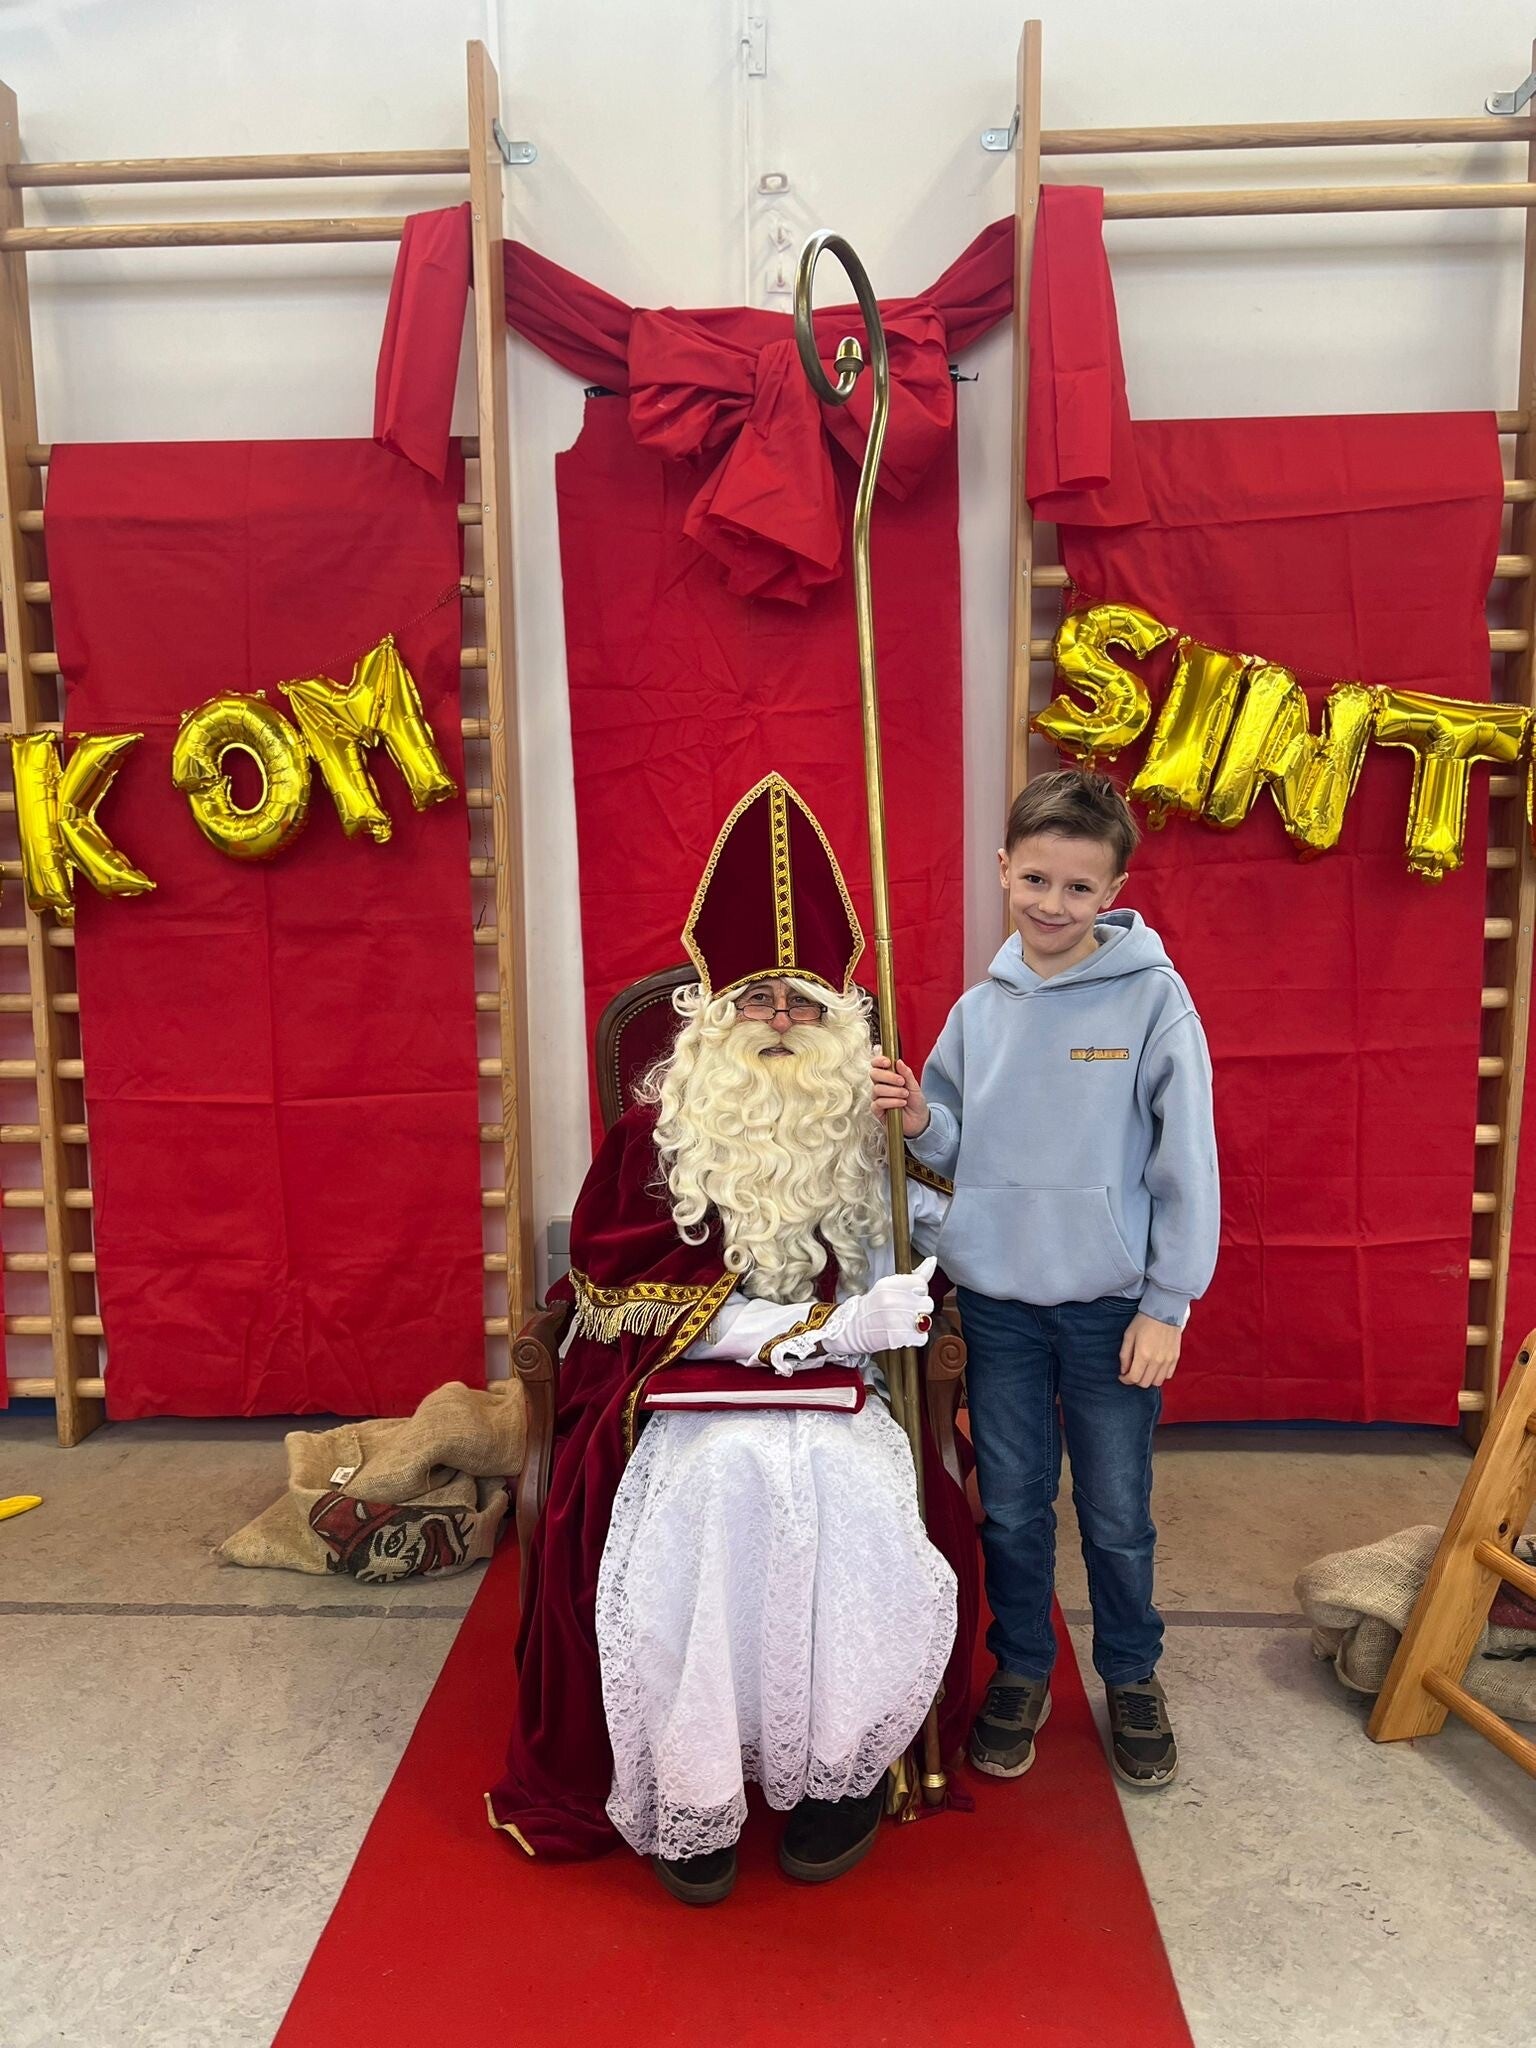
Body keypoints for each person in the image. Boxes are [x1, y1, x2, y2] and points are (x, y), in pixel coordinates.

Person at [489, 773, 978, 1903]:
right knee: (723, 1488)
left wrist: (916, 1161)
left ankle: (838, 1771)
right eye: (758, 999)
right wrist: (821, 1325)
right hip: (689, 1401)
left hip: (847, 1397)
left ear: (841, 1022)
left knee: (848, 1496)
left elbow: (932, 1254)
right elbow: (631, 1301)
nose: (781, 1021)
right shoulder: (653, 1139)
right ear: (713, 1015)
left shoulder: (866, 1129)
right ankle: (692, 1779)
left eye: (804, 1002)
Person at [873, 769, 1218, 1791]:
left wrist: (1167, 1305)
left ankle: (1132, 1672)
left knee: (1115, 1510)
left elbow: (1186, 1163)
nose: (1053, 903)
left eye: (1077, 886)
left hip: (1112, 1308)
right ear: (1003, 870)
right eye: (1035, 879)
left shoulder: (1154, 1001)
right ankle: (1022, 1666)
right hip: (1000, 1306)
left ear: (1113, 890)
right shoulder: (978, 1013)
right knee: (1014, 1507)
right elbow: (954, 1146)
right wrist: (919, 1118)